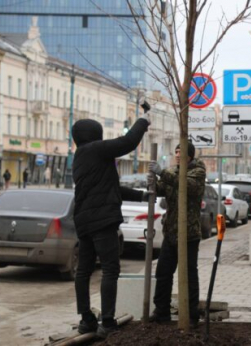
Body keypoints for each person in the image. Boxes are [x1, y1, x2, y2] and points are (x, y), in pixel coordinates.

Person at [71, 111, 151, 338]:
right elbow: (128, 142)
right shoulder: (96, 150)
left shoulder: (81, 157)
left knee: (84, 270)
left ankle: (86, 319)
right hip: (102, 221)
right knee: (110, 268)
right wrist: (143, 121)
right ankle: (107, 321)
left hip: (84, 221)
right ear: (95, 135)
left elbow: (111, 188)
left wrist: (142, 196)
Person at [147, 142, 206, 328]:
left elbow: (186, 185)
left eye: (182, 152)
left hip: (189, 233)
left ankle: (191, 314)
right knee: (163, 273)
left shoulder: (198, 171)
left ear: (190, 155)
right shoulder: (173, 171)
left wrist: (162, 172)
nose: (178, 155)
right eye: (176, 152)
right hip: (171, 232)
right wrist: (153, 184)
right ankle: (161, 311)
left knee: (188, 275)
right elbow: (164, 188)